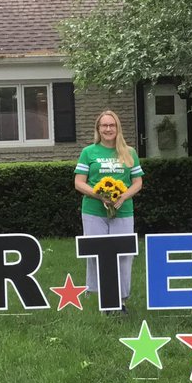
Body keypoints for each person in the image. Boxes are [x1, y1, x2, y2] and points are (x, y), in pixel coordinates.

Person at [74, 110, 143, 311]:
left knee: (123, 254)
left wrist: (123, 196)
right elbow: (79, 183)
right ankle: (102, 297)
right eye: (104, 125)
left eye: (111, 125)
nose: (108, 129)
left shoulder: (129, 153)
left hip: (123, 211)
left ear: (117, 128)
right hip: (94, 211)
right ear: (98, 129)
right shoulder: (89, 152)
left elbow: (138, 182)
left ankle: (120, 299)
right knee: (97, 254)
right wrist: (99, 195)